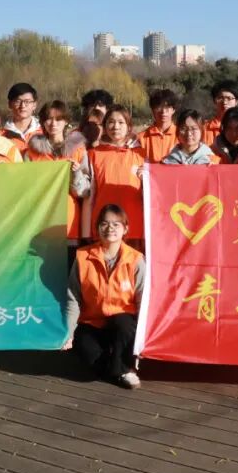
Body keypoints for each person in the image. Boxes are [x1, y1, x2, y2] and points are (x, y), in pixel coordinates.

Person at [66, 204, 145, 390]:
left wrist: (142, 340)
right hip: (92, 322)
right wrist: (68, 334)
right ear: (97, 228)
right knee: (85, 352)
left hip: (123, 323)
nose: (110, 228)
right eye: (104, 224)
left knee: (124, 324)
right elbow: (73, 298)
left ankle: (124, 369)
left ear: (125, 229)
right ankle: (115, 365)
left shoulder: (136, 259)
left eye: (116, 224)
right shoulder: (83, 257)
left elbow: (143, 300)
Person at [25, 100, 91, 254]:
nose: (53, 124)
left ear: (66, 121)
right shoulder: (32, 153)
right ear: (42, 122)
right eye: (49, 119)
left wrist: (76, 173)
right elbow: (27, 188)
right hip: (41, 222)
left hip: (69, 222)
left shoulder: (78, 150)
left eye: (58, 119)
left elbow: (84, 192)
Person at [83, 105, 146, 244]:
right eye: (111, 122)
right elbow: (89, 196)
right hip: (104, 228)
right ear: (105, 126)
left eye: (121, 122)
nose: (116, 126)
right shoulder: (93, 154)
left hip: (135, 227)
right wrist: (86, 233)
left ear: (129, 127)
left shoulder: (142, 155)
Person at [136, 89, 179, 163]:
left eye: (167, 107)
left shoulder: (182, 136)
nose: (163, 112)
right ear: (152, 110)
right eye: (159, 107)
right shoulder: (141, 138)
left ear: (173, 110)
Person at [1, 83, 41, 153]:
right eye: (18, 101)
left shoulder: (45, 131)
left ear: (34, 105)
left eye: (27, 101)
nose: (22, 106)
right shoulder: (1, 135)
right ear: (9, 104)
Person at [203, 81, 238, 146]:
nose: (224, 102)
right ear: (214, 101)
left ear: (236, 102)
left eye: (229, 98)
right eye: (220, 98)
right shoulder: (204, 129)